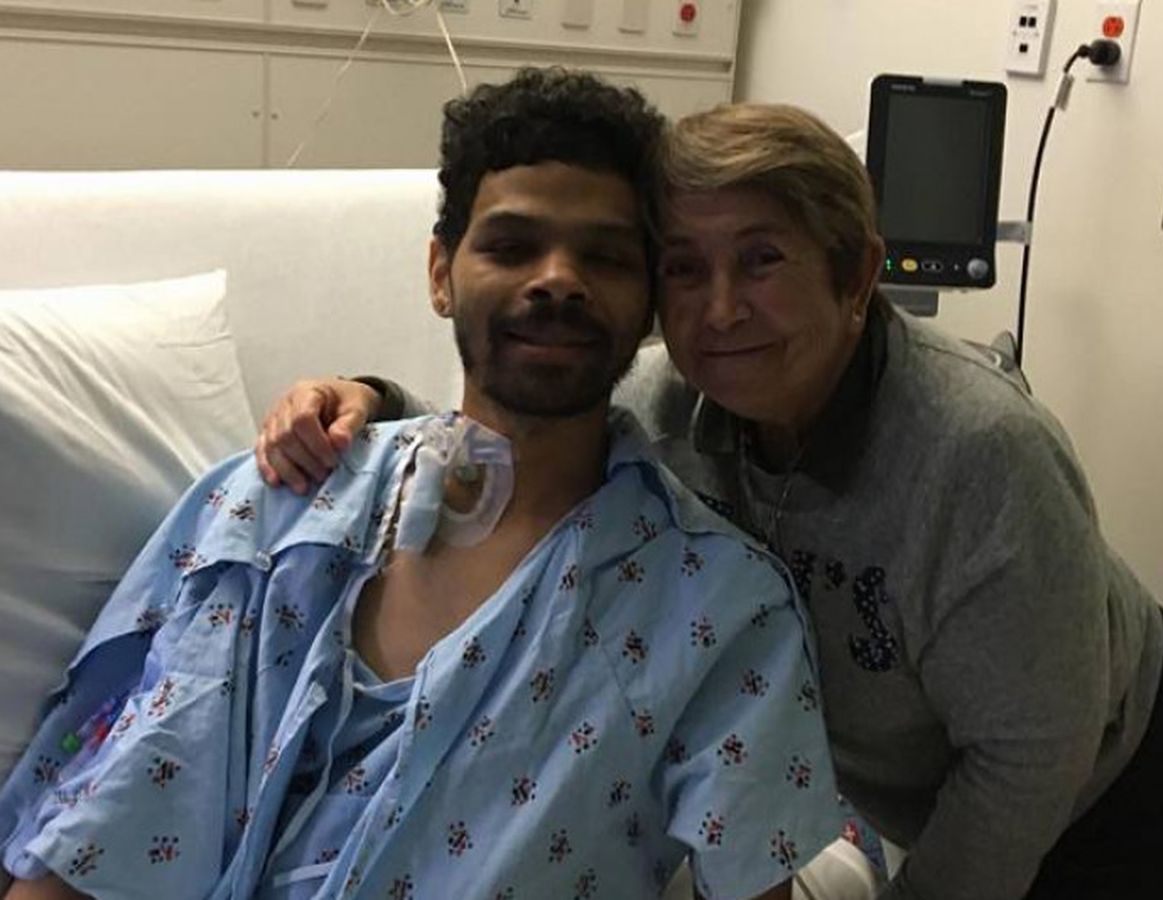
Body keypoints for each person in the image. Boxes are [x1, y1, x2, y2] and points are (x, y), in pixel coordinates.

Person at [257, 101, 1163, 900]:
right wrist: (370, 403)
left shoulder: (979, 457)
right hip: (915, 783)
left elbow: (1028, 759)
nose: (719, 310)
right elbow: (523, 432)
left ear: (857, 275)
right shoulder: (668, 402)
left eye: (762, 261)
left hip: (1117, 790)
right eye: (683, 267)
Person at [0, 71, 845, 900]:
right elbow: (103, 822)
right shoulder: (276, 503)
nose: (558, 278)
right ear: (440, 273)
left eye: (606, 256)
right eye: (511, 247)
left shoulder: (719, 608)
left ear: (649, 301)